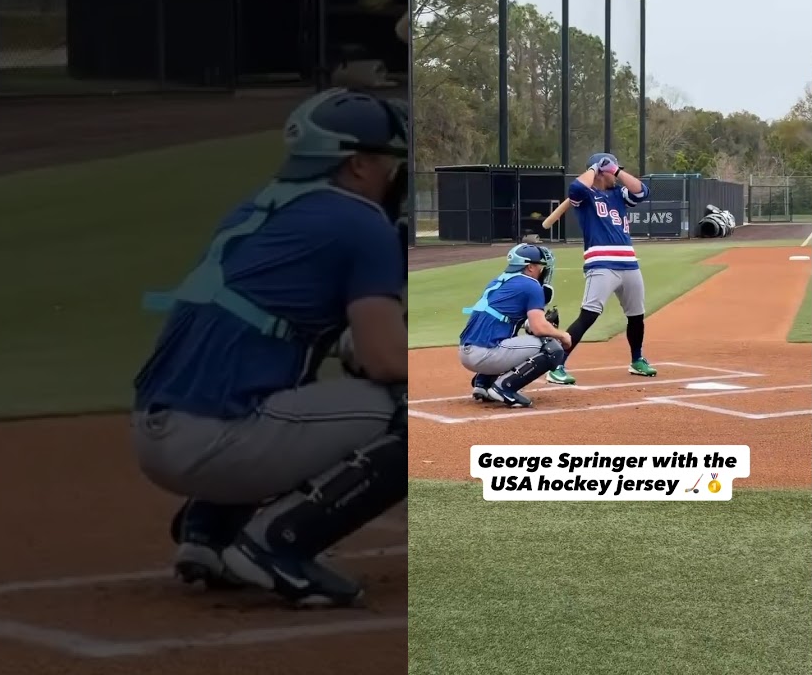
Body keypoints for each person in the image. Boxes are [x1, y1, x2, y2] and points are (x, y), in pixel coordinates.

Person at [131, 88, 410, 608]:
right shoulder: (359, 223)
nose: (397, 177)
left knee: (292, 378)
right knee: (416, 414)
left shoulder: (257, 210)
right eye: (390, 163)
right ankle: (275, 544)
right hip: (218, 440)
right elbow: (385, 358)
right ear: (356, 166)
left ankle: (210, 532)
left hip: (158, 429)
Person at [545, 153, 656, 386]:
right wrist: (595, 169)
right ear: (597, 172)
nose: (616, 174)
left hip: (629, 263)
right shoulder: (585, 196)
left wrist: (615, 170)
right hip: (601, 263)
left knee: (636, 315)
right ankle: (557, 365)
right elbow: (575, 188)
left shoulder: (620, 194)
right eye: (611, 169)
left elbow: (642, 191)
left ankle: (637, 360)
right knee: (589, 315)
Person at [459, 244, 571, 408]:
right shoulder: (531, 285)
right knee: (552, 347)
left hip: (465, 352)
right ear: (530, 267)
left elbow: (507, 318)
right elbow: (539, 328)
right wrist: (561, 335)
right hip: (485, 354)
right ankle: (504, 387)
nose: (543, 271)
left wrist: (531, 324)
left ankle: (483, 384)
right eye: (541, 266)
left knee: (508, 335)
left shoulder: (498, 281)